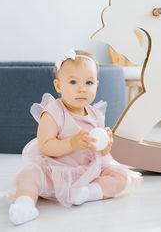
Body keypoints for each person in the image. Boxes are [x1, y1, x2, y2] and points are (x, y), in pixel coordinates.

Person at [9, 49, 142, 225]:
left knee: (124, 178)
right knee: (28, 175)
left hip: (88, 171)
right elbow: (46, 146)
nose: (82, 89)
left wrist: (105, 145)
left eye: (89, 82)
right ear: (58, 86)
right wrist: (72, 143)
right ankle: (24, 205)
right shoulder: (53, 112)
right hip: (55, 171)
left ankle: (88, 193)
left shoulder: (95, 114)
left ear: (96, 84)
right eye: (73, 82)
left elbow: (101, 154)